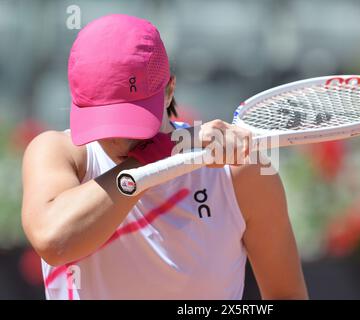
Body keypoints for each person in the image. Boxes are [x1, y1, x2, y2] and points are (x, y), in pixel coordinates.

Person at [21, 14, 308, 300]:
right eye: (106, 121)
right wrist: (166, 151)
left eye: (130, 121)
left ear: (169, 91)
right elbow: (54, 241)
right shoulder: (57, 152)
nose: (119, 139)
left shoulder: (240, 173)